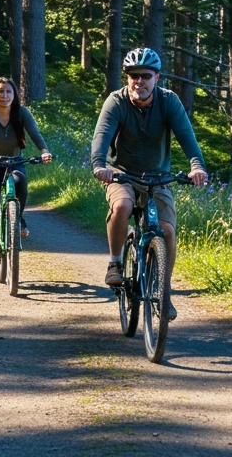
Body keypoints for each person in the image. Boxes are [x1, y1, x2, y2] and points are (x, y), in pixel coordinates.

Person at [90, 48, 207, 321]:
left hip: (158, 176)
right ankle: (115, 263)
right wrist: (99, 165)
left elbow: (187, 138)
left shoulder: (169, 102)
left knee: (166, 229)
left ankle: (163, 293)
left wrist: (197, 166)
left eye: (145, 76)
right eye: (133, 76)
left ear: (157, 78)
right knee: (122, 205)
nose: (138, 82)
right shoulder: (116, 102)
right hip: (121, 174)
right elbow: (102, 136)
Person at [0, 77, 53, 265]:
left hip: (15, 163)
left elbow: (34, 134)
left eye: (8, 92)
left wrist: (44, 151)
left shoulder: (22, 113)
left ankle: (18, 218)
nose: (5, 95)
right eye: (1, 92)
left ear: (14, 95)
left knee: (21, 182)